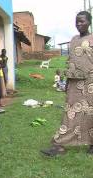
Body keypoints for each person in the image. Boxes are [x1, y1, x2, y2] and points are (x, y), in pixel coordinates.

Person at [41, 11, 93, 156]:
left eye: (82, 21)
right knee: (70, 113)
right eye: (77, 21)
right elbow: (71, 61)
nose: (79, 24)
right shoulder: (74, 39)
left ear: (89, 22)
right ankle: (60, 144)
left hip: (90, 84)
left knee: (91, 114)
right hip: (74, 84)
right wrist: (67, 83)